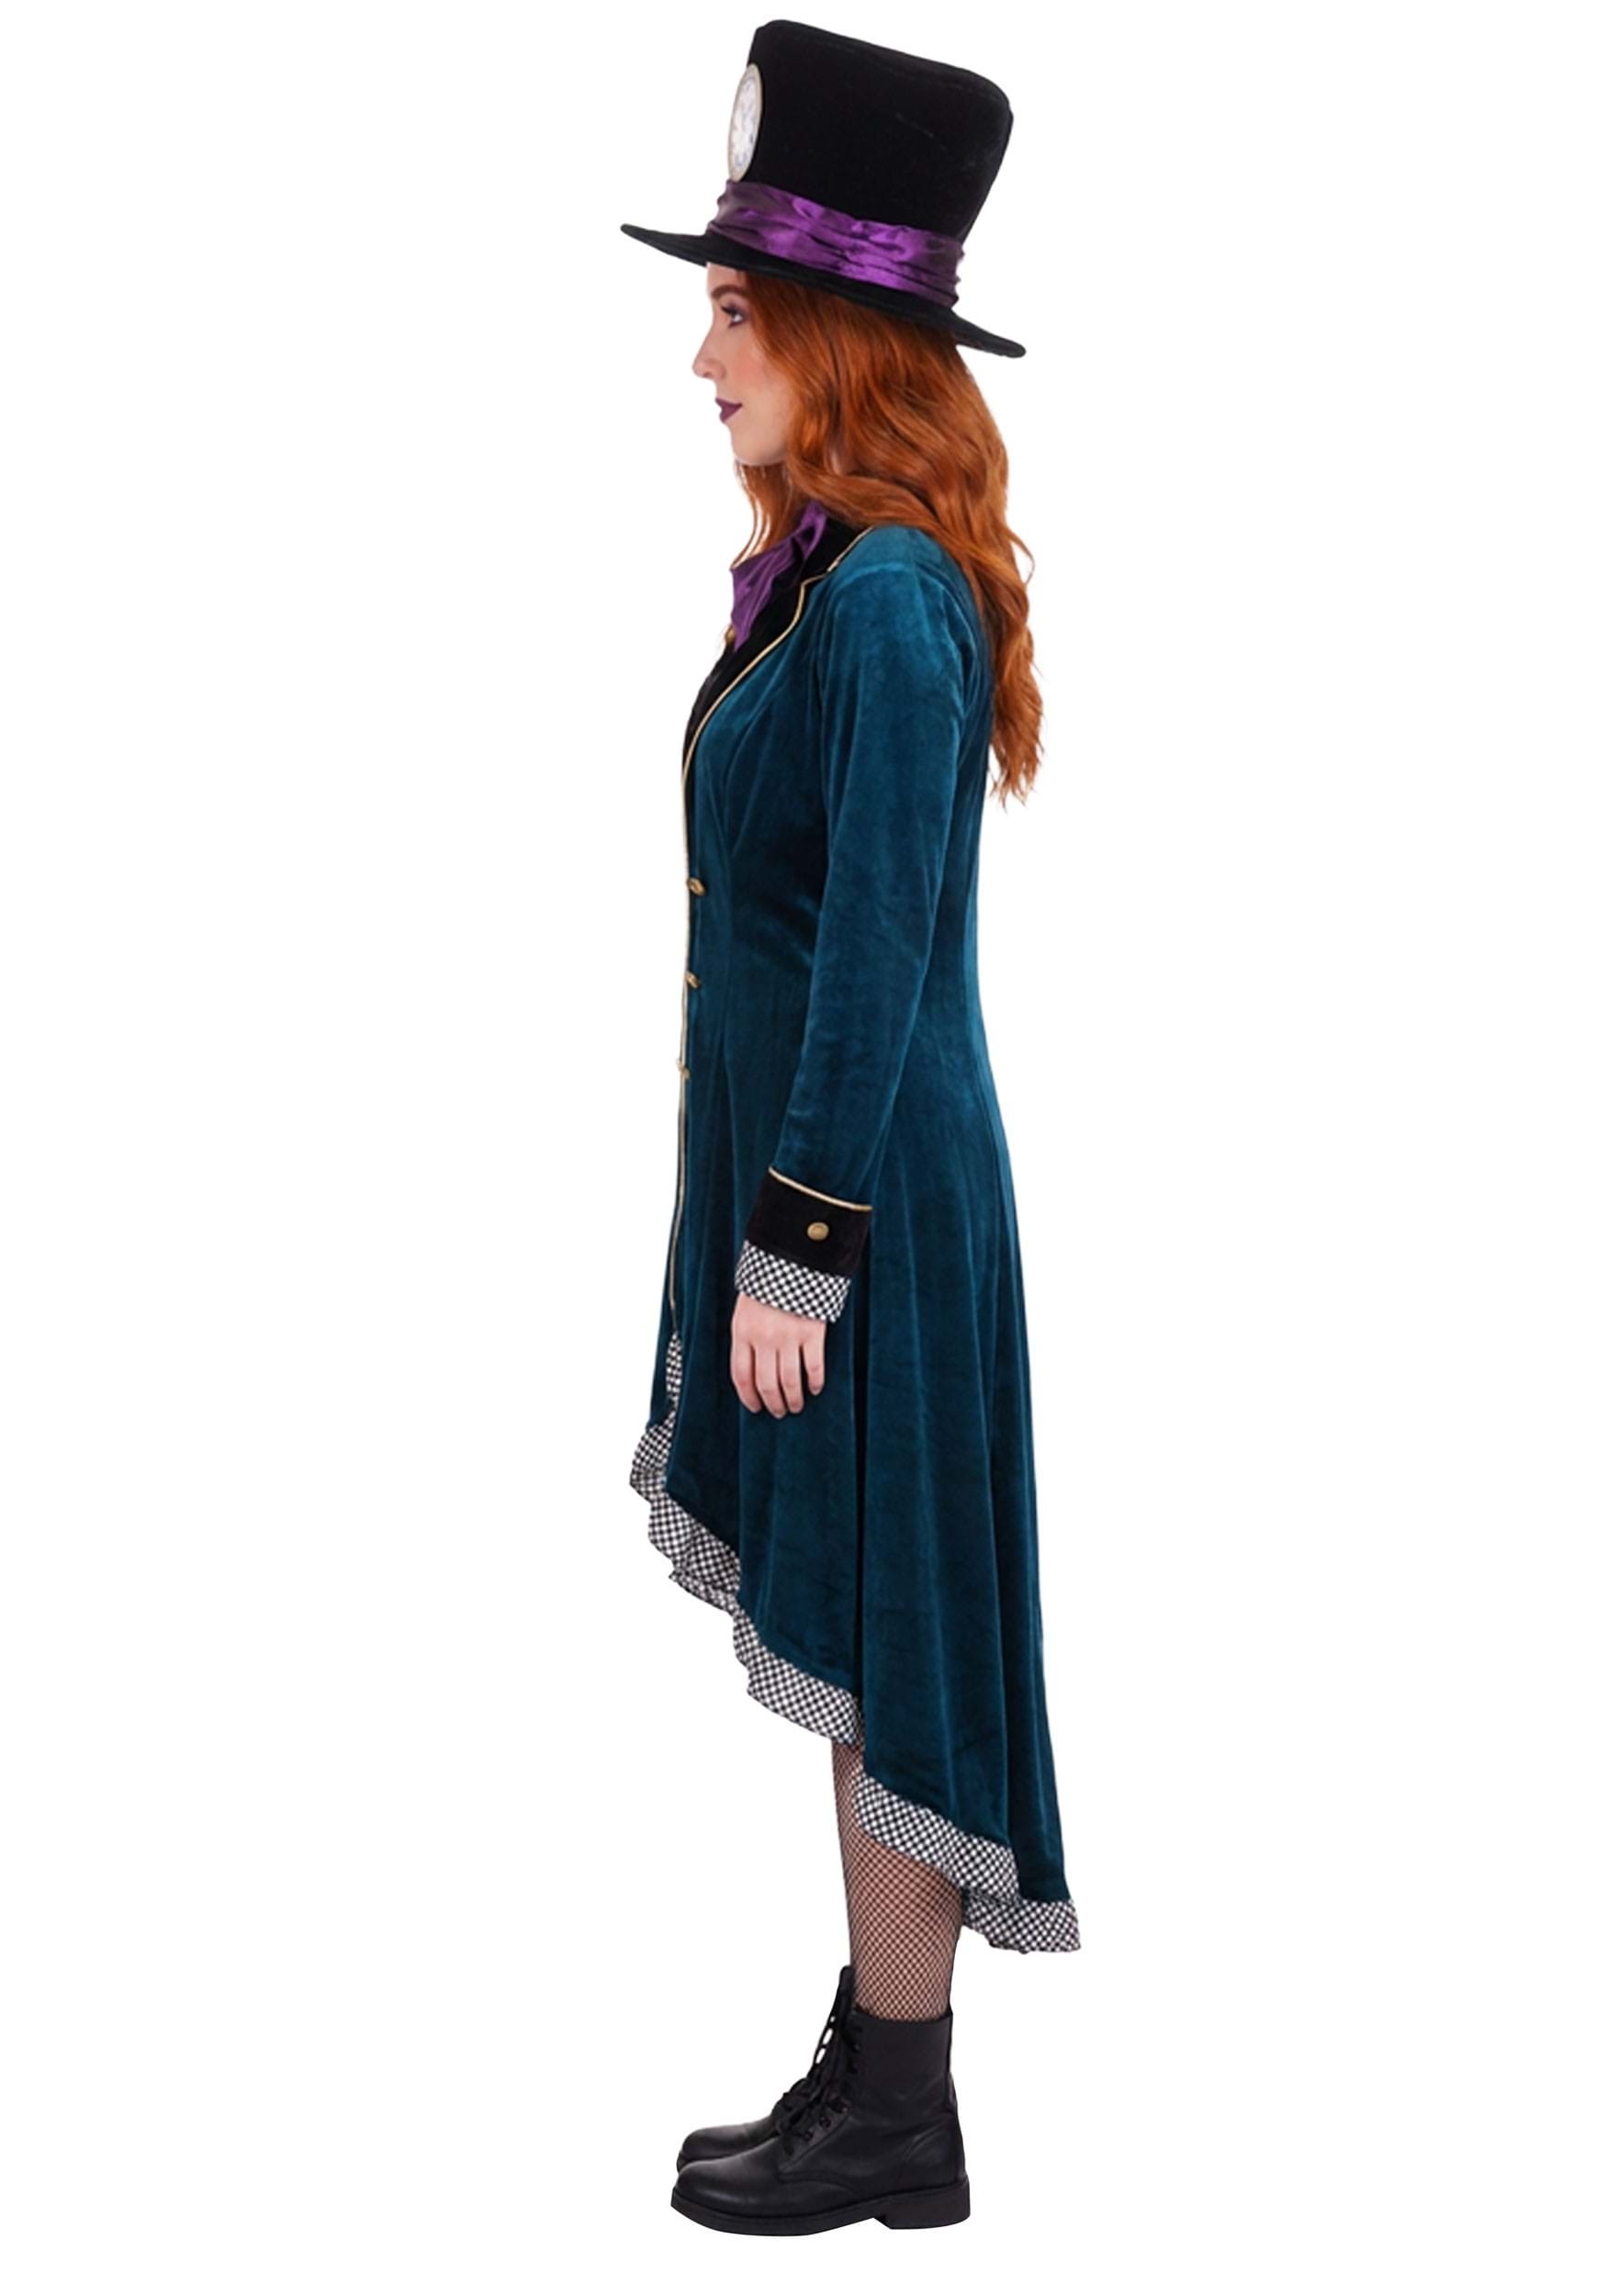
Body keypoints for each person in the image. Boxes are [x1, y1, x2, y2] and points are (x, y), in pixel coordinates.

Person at [621, 22, 1080, 2238]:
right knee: (869, 1638)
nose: (699, 357)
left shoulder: (886, 595)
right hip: (844, 1184)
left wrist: (796, 1243)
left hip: (869, 1198)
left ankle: (901, 2106)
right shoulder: (836, 574)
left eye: (730, 311)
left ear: (830, 331)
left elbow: (878, 943)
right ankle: (890, 2082)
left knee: (888, 1645)